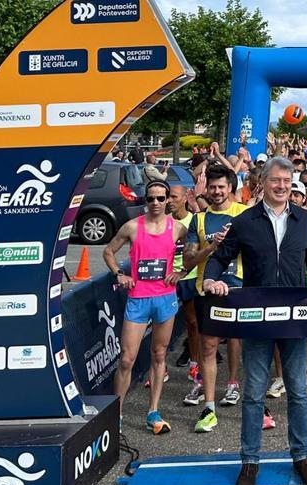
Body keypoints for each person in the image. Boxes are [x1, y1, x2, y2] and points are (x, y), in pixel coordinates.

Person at [203, 156, 307, 485]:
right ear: (263, 182)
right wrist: (212, 280)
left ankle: (302, 456)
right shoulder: (245, 220)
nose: (281, 188)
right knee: (253, 394)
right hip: (256, 318)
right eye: (276, 181)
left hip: (294, 317)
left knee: (299, 392)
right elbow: (219, 258)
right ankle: (249, 461)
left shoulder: (304, 219)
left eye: (287, 183)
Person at [102, 180, 191, 434]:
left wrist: (182, 271)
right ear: (145, 200)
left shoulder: (178, 228)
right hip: (139, 298)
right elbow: (108, 252)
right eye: (150, 198)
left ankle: (153, 410)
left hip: (165, 298)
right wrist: (119, 273)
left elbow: (193, 251)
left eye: (161, 198)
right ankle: (116, 414)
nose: (155, 203)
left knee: (159, 354)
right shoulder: (132, 227)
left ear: (168, 201)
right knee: (127, 359)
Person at [183, 165, 249, 432]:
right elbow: (188, 260)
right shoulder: (198, 220)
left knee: (236, 339)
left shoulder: (244, 215)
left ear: (231, 188)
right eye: (212, 187)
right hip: (206, 289)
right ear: (206, 190)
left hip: (238, 287)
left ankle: (233, 384)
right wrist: (212, 247)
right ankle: (209, 407)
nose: (217, 191)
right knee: (208, 347)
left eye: (222, 186)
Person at [169, 186, 201, 384]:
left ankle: (194, 364)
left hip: (190, 276)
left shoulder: (194, 220)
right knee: (163, 324)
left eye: (174, 197)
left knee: (192, 323)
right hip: (167, 278)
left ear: (184, 199)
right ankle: (160, 368)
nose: (169, 201)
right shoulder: (164, 222)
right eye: (168, 197)